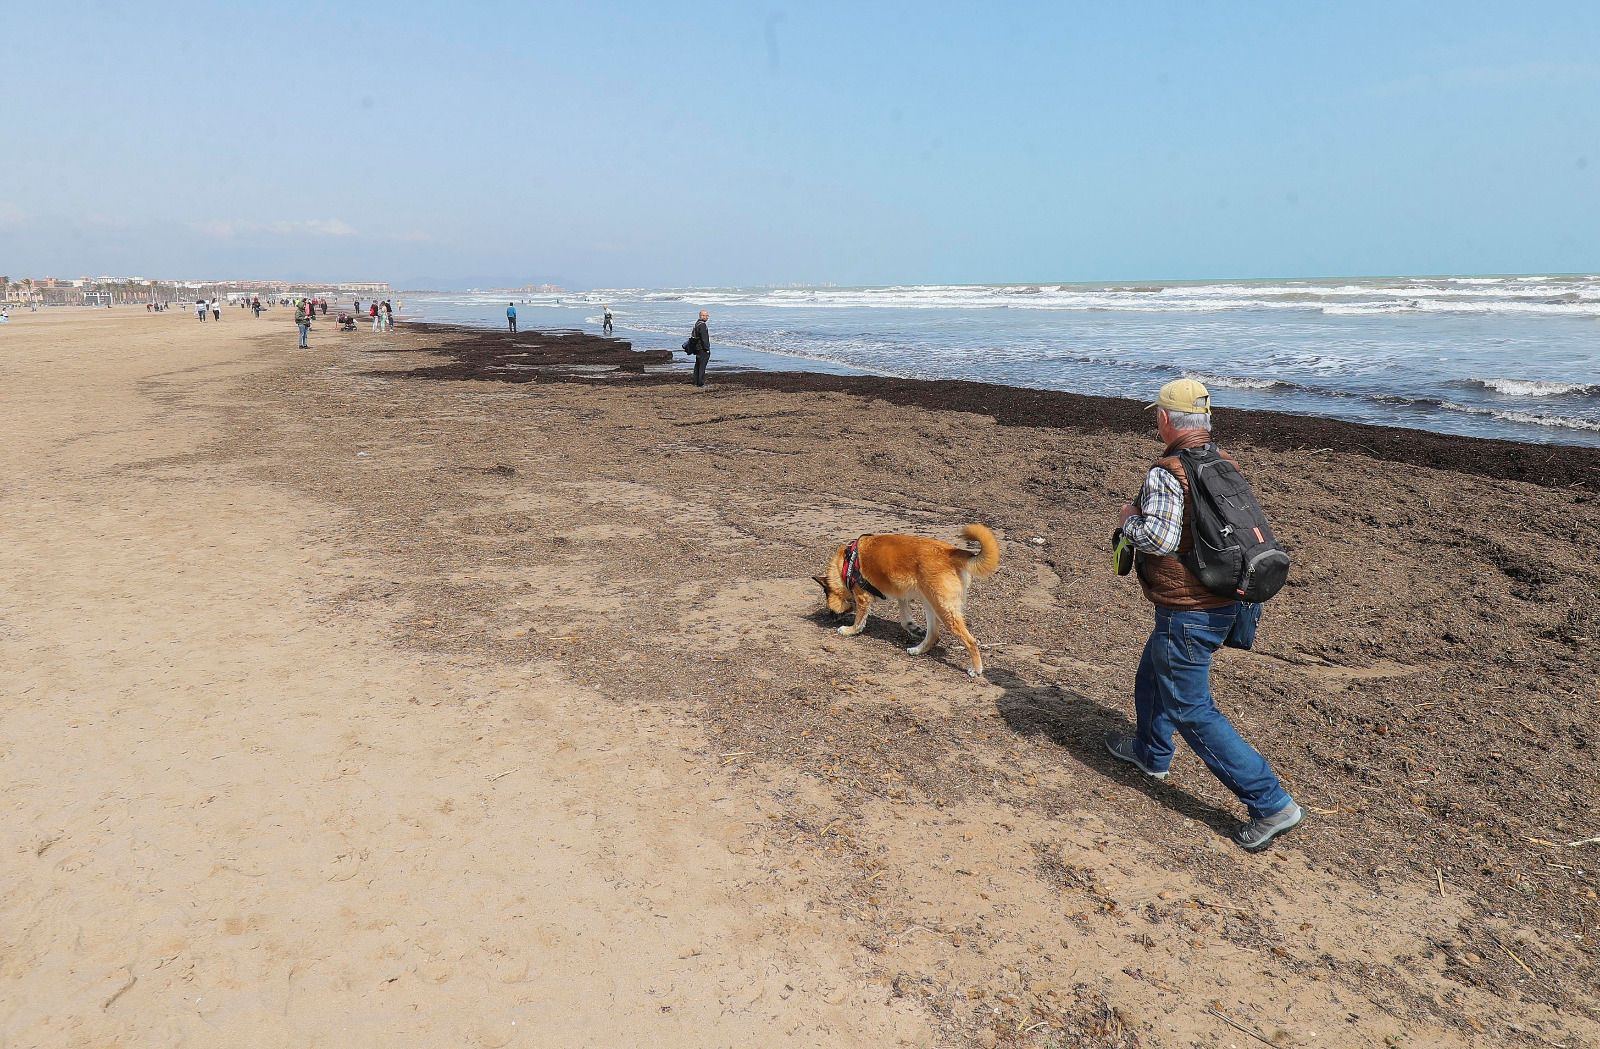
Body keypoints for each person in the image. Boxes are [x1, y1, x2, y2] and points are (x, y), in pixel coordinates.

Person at [1104, 378, 1301, 852]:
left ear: (1166, 419)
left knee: (1191, 708)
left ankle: (1270, 802)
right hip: (1226, 601)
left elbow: (1160, 540)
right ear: (1206, 420)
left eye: (1158, 414)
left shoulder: (1167, 472)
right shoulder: (1223, 462)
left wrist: (1128, 516)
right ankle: (1151, 753)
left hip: (1189, 612)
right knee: (1153, 672)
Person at [683, 310, 711, 387]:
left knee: (698, 365)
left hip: (697, 348)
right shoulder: (702, 325)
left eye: (707, 315)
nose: (707, 317)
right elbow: (704, 338)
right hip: (702, 348)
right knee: (702, 366)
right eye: (706, 315)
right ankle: (700, 383)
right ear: (701, 316)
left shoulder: (697, 323)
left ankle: (696, 381)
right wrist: (707, 348)